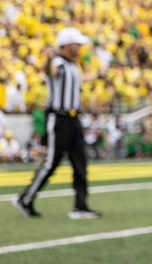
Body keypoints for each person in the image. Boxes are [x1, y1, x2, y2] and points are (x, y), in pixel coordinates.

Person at [14, 27, 101, 219]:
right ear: (66, 45)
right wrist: (49, 58)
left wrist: (98, 71)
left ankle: (81, 206)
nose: (79, 47)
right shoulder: (58, 62)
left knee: (80, 163)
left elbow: (83, 78)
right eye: (76, 44)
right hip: (59, 119)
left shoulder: (73, 65)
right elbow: (50, 71)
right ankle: (25, 199)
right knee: (51, 163)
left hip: (74, 118)